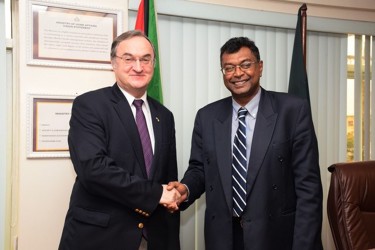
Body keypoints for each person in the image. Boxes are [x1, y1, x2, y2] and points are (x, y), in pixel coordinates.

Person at [168, 37, 323, 250]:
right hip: (224, 237)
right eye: (229, 68)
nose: (238, 73)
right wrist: (185, 188)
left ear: (260, 67)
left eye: (245, 65)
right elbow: (200, 169)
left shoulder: (292, 111)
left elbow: (309, 188)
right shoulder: (207, 117)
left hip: (276, 236)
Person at [59, 30, 181, 250]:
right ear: (113, 63)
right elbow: (93, 169)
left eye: (145, 59)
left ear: (153, 64)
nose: (138, 66)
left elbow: (166, 177)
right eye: (128, 59)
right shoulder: (90, 105)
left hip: (154, 238)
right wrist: (157, 194)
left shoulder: (164, 115)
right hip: (102, 238)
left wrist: (174, 194)